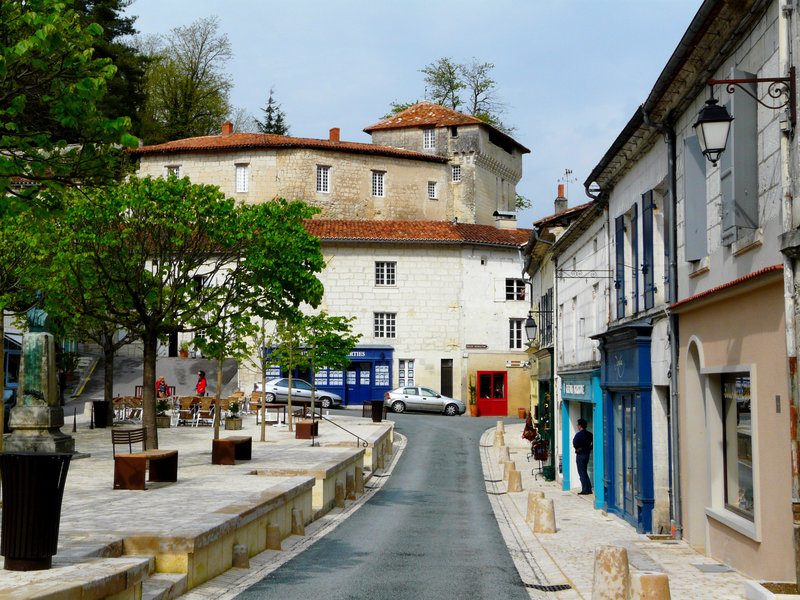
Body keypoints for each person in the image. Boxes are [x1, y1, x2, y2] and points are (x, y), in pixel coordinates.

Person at [573, 418, 593, 495]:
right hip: (587, 454)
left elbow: (575, 443)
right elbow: (592, 443)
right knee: (584, 471)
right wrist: (588, 448)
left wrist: (578, 448)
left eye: (578, 425)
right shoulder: (590, 434)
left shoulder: (578, 435)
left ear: (580, 426)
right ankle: (589, 488)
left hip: (581, 454)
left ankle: (585, 489)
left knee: (582, 472)